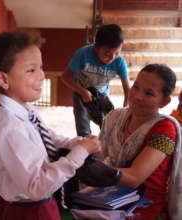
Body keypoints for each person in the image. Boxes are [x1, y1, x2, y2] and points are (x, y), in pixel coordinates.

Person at [0, 30, 101, 220]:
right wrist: (78, 154)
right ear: (4, 79)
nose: (41, 75)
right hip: (29, 209)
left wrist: (77, 143)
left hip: (32, 196)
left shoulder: (26, 109)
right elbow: (36, 187)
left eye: (41, 67)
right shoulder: (8, 129)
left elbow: (46, 135)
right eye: (31, 70)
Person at [77, 64, 180, 219]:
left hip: (143, 205)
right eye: (136, 87)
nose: (137, 96)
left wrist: (89, 169)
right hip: (107, 197)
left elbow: (135, 177)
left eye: (149, 93)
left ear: (164, 102)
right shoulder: (115, 117)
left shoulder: (166, 130)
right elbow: (101, 153)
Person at [62, 23, 130, 137]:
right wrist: (82, 91)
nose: (112, 58)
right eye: (107, 54)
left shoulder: (119, 62)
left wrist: (125, 111)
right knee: (82, 125)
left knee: (110, 125)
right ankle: (85, 149)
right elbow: (65, 77)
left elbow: (127, 90)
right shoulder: (83, 54)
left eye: (117, 53)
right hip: (81, 92)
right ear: (96, 47)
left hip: (101, 94)